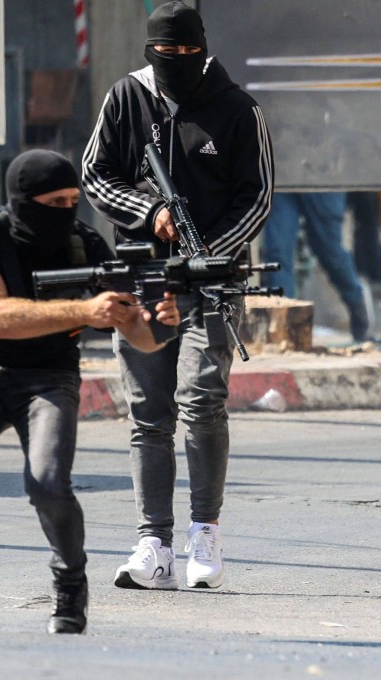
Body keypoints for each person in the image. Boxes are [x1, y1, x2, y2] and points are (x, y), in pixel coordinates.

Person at [0, 149, 180, 634]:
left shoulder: (86, 244)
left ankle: (69, 582)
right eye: (54, 201)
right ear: (22, 200)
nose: (65, 211)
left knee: (48, 481)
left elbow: (136, 333)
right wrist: (83, 312)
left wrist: (159, 325)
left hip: (50, 376)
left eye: (73, 200)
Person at [81, 1, 273, 591]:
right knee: (148, 411)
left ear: (204, 48)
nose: (179, 62)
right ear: (151, 51)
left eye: (189, 52)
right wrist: (152, 211)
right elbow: (95, 174)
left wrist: (207, 256)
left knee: (201, 399)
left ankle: (205, 534)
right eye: (169, 54)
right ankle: (153, 543)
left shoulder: (239, 109)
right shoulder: (126, 99)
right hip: (142, 281)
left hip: (211, 284)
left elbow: (258, 196)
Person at [261, 192, 372, 342]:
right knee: (278, 254)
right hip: (280, 179)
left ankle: (358, 308)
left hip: (321, 176)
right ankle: (282, 330)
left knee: (330, 252)